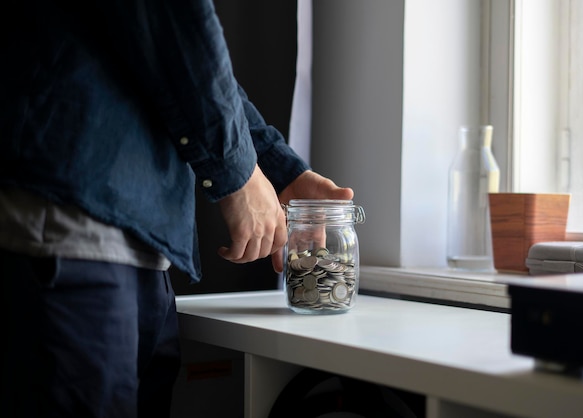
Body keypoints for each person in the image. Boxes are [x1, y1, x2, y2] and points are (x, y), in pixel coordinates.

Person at [0, 1, 354, 417]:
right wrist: (238, 174)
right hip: (73, 222)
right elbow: (175, 23)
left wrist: (280, 170)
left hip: (142, 243)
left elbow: (186, 57)